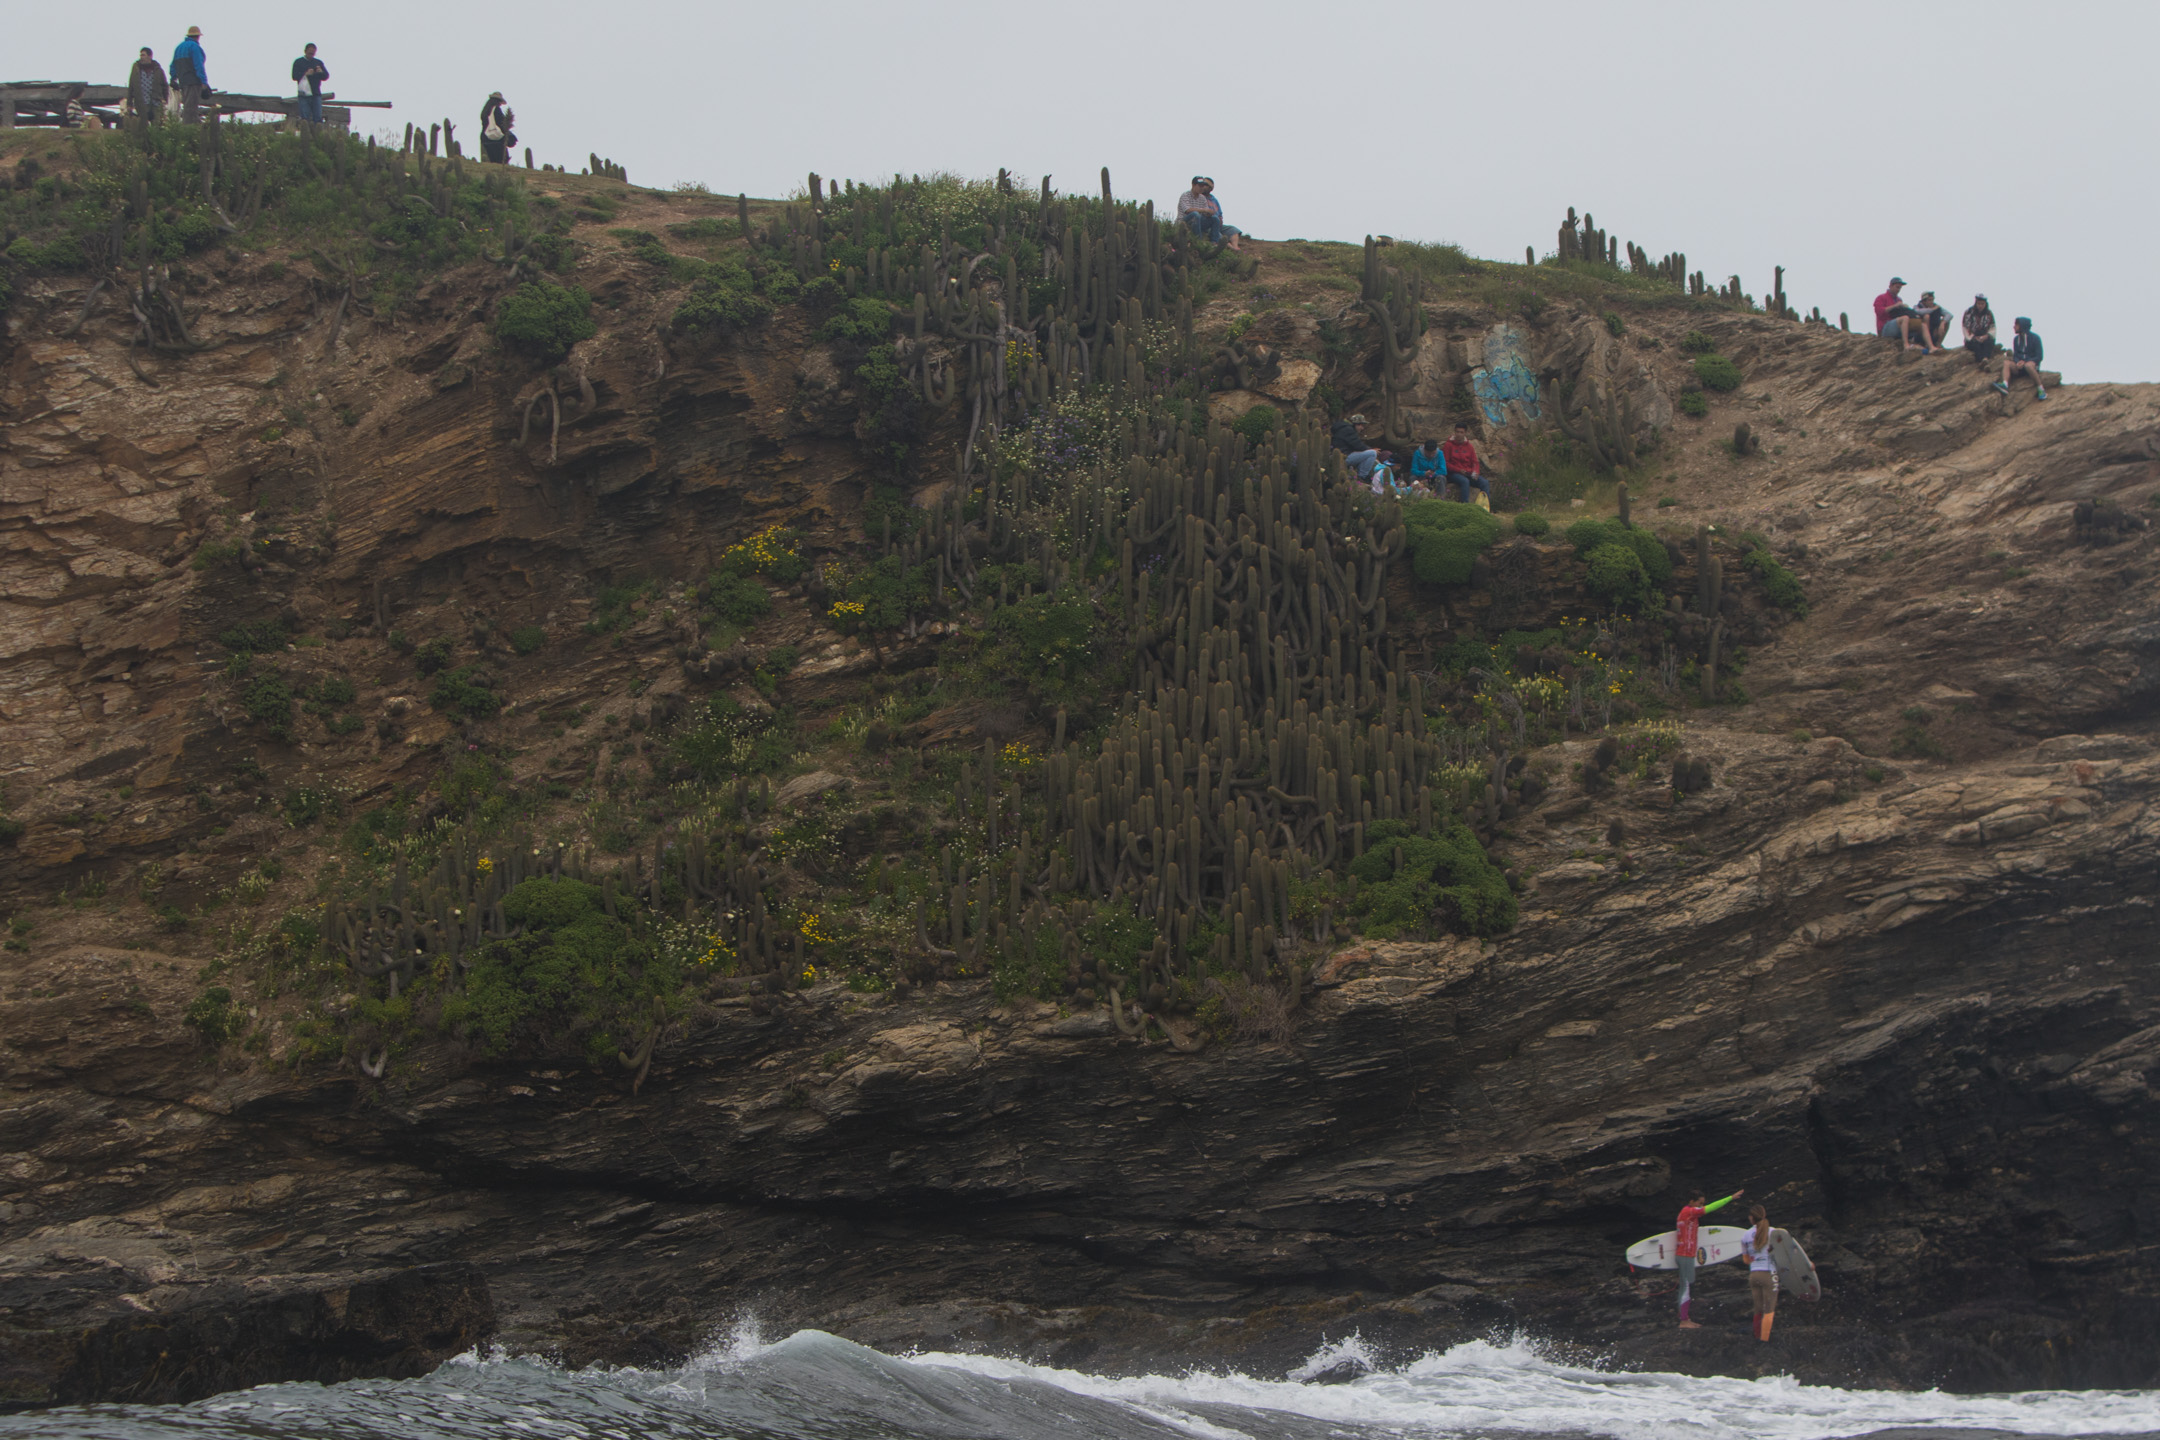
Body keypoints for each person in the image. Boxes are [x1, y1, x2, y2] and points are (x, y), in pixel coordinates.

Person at [1672, 1188, 1742, 1328]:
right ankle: (1684, 1321)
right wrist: (1730, 1198)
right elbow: (1710, 1208)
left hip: (1685, 1254)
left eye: (1702, 1204)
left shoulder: (1687, 1213)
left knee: (1685, 1287)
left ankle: (1684, 1317)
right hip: (1684, 1255)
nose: (1701, 1206)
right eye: (1699, 1203)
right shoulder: (1689, 1212)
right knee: (1686, 1287)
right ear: (1691, 1202)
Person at [1738, 1204, 1778, 1340]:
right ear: (1764, 1215)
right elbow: (1786, 1251)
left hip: (1754, 1275)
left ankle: (1756, 1337)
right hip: (1768, 1274)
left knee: (1758, 1309)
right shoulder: (1773, 1232)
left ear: (1751, 1218)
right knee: (1769, 1310)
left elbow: (1746, 1260)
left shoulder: (1745, 1235)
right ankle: (1764, 1340)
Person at [1871, 277, 1939, 354]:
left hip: (1898, 325)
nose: (1898, 290)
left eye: (1900, 288)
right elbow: (1879, 312)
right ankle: (1906, 344)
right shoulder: (1881, 297)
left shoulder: (1899, 299)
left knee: (1922, 324)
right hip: (1885, 327)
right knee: (1905, 318)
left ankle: (1931, 347)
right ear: (1890, 286)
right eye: (1897, 287)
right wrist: (1895, 306)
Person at [1176, 176, 1243, 251]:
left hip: (1198, 221)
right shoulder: (1185, 195)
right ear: (1193, 185)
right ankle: (1199, 240)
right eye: (1200, 186)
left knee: (1214, 218)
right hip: (1185, 221)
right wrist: (1204, 210)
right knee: (1195, 214)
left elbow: (1205, 212)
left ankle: (1214, 242)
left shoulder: (1202, 198)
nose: (1201, 188)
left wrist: (1209, 213)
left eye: (1203, 186)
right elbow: (1187, 210)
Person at [1993, 317, 2046, 400]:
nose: (2014, 327)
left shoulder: (2035, 338)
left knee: (2028, 365)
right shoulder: (2016, 339)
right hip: (2020, 367)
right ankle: (2005, 385)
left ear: (2022, 325)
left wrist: (2025, 362)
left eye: (2016, 325)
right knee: (2006, 363)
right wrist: (2017, 362)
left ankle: (2041, 389)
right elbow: (2016, 355)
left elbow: (2039, 356)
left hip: (2031, 366)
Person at [1440, 423, 1491, 505]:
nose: (1459, 434)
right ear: (1454, 432)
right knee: (1465, 481)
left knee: (1484, 482)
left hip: (1468, 472)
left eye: (1461, 432)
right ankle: (1465, 505)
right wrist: (1458, 470)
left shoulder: (1469, 446)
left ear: (1465, 433)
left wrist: (1475, 472)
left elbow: (1475, 462)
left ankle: (1485, 506)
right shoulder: (1448, 445)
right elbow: (1446, 463)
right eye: (1457, 432)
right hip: (1453, 473)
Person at [171, 26, 209, 125]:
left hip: (183, 82)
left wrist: (173, 78)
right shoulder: (195, 47)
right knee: (191, 108)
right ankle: (188, 129)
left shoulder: (179, 48)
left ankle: (192, 126)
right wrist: (204, 82)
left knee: (187, 105)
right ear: (198, 36)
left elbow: (173, 65)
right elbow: (199, 66)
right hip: (193, 82)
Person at [126, 47, 169, 123]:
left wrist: (165, 99)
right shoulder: (136, 70)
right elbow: (131, 86)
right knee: (143, 124)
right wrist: (129, 103)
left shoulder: (158, 70)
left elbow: (164, 85)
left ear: (150, 56)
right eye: (141, 55)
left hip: (155, 102)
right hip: (141, 102)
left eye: (143, 55)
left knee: (156, 124)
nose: (141, 57)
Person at [291, 43, 328, 125]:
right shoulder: (298, 62)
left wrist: (321, 72)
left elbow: (326, 76)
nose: (311, 55)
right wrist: (305, 74)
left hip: (316, 93)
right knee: (304, 118)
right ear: (305, 51)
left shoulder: (318, 62)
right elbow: (294, 76)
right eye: (310, 53)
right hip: (303, 93)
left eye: (313, 53)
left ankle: (317, 131)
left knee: (317, 117)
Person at [480, 92, 516, 164]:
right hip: (497, 138)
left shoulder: (485, 111)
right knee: (501, 160)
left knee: (493, 161)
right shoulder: (496, 109)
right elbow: (501, 123)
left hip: (485, 137)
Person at [1961, 294, 1998, 365]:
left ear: (1985, 304)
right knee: (1976, 345)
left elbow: (1992, 327)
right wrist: (1974, 337)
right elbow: (1965, 328)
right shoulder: (1968, 312)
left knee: (1989, 342)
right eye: (1979, 304)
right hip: (1972, 337)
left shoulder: (1989, 313)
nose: (1980, 306)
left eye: (1982, 304)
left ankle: (1985, 359)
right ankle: (1981, 361)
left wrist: (1986, 336)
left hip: (1984, 336)